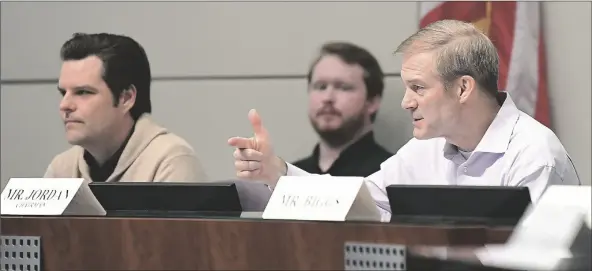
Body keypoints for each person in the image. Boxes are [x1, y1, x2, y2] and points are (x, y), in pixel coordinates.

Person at [228, 20, 581, 215]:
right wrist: (278, 172)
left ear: (462, 89)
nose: (406, 103)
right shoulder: (424, 148)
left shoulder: (535, 156)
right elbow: (358, 202)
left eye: (418, 87)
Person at [45, 33, 208, 183]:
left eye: (83, 92)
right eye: (63, 93)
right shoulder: (61, 169)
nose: (64, 105)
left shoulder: (172, 161)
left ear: (126, 98)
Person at [293, 42, 393, 177]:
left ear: (372, 102)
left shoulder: (393, 176)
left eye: (343, 87)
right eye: (321, 87)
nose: (328, 98)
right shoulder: (290, 178)